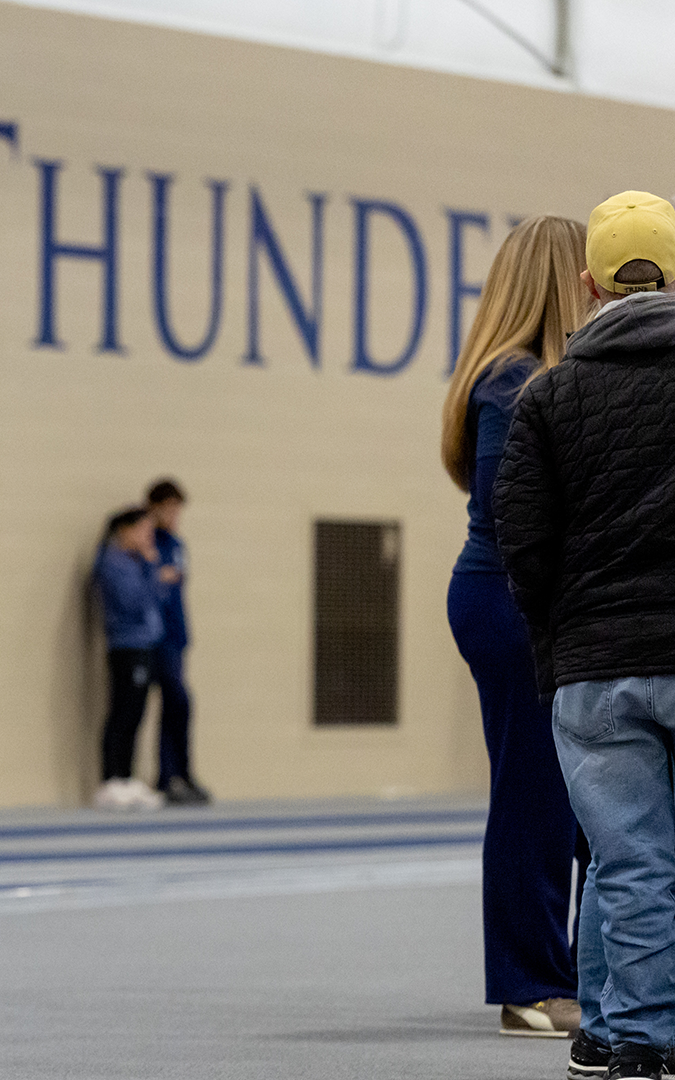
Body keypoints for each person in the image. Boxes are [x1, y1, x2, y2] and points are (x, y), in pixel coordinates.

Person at [495, 191, 675, 1080]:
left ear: (588, 282)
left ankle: (611, 1032)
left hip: (595, 665)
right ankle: (647, 1034)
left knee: (623, 854)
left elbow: (521, 541)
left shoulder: (550, 395)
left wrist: (560, 643)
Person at [438, 214, 590, 1039]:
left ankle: (565, 968)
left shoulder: (518, 378)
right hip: (511, 599)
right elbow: (513, 510)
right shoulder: (514, 381)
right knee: (536, 794)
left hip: (518, 594)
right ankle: (530, 982)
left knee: (564, 793)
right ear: (572, 283)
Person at [92, 507, 166, 812]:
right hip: (127, 646)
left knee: (136, 713)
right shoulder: (113, 563)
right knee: (122, 712)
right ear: (127, 530)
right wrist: (152, 572)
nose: (149, 539)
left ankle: (126, 776)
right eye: (145, 531)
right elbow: (134, 602)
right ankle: (111, 779)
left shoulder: (132, 563)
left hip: (144, 644)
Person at [143, 479, 208, 806]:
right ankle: (167, 775)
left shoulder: (176, 545)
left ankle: (180, 773)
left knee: (179, 706)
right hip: (155, 638)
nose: (174, 515)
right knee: (176, 700)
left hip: (176, 635)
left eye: (177, 509)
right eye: (168, 509)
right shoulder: (145, 541)